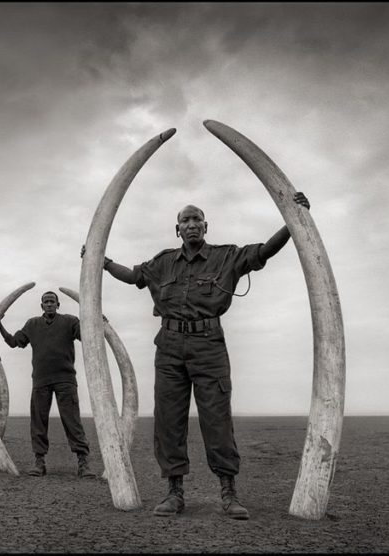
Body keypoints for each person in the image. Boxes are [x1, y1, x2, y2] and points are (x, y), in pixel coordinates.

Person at [89, 192, 310, 520]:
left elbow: (262, 252)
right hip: (169, 347)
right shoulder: (162, 263)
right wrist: (101, 262)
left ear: (206, 226)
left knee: (216, 418)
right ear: (177, 229)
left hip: (209, 346)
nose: (191, 224)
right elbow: (135, 276)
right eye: (185, 220)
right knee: (168, 420)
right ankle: (174, 492)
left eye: (197, 220)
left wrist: (293, 223)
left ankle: (228, 492)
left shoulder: (226, 257)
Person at [0, 291, 95, 478]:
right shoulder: (32, 324)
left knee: (72, 420)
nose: (49, 304)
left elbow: (88, 336)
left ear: (58, 305)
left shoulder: (70, 321)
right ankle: (39, 462)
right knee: (38, 422)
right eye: (46, 302)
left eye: (52, 301)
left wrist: (97, 320)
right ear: (41, 305)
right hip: (41, 380)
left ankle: (83, 463)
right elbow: (14, 342)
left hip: (65, 380)